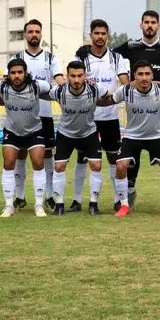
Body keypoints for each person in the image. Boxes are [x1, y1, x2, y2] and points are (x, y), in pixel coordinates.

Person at [97, 60, 160, 217]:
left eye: (147, 74)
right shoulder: (125, 90)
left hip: (155, 136)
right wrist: (87, 99)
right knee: (121, 166)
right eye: (140, 74)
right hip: (132, 136)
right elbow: (108, 101)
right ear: (134, 76)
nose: (144, 77)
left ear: (152, 75)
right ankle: (124, 205)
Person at [71, 19, 129, 212]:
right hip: (87, 117)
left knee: (113, 158)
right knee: (82, 157)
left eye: (103, 33)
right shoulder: (81, 57)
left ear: (107, 35)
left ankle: (118, 199)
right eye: (97, 33)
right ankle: (77, 200)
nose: (100, 37)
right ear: (91, 35)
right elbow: (75, 80)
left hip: (110, 116)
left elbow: (125, 82)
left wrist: (116, 95)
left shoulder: (117, 58)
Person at [8, 19, 64, 210]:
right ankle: (20, 196)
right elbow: (8, 82)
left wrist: (69, 90)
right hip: (20, 115)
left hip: (44, 115)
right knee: (20, 154)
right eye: (30, 31)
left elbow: (59, 81)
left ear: (41, 34)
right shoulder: (16, 58)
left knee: (46, 155)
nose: (34, 34)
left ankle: (49, 196)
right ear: (25, 34)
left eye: (37, 31)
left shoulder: (50, 58)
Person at [0, 58, 50, 218]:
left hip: (34, 131)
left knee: (38, 163)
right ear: (8, 75)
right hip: (12, 131)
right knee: (8, 164)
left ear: (26, 73)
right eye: (13, 73)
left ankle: (39, 205)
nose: (17, 75)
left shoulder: (37, 86)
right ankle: (9, 205)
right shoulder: (1, 87)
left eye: (20, 72)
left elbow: (55, 90)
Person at [46, 61, 108, 215]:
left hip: (88, 132)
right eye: (73, 76)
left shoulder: (95, 88)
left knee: (96, 166)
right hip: (66, 133)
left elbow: (109, 97)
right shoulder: (58, 91)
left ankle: (93, 204)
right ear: (67, 77)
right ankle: (59, 205)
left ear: (85, 76)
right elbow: (40, 94)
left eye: (80, 76)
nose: (76, 80)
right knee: (59, 167)